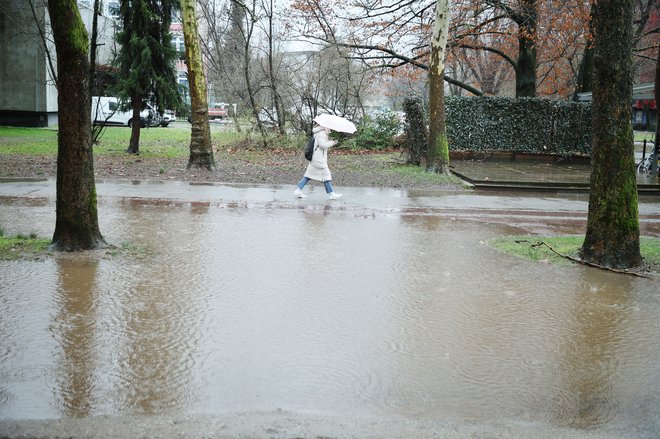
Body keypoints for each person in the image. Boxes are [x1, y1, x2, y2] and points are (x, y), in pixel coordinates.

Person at [294, 124, 342, 200]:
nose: (330, 128)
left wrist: (328, 141)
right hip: (319, 159)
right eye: (329, 126)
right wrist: (332, 143)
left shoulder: (317, 132)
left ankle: (298, 190)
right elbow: (322, 145)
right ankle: (331, 194)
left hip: (315, 157)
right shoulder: (322, 133)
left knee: (308, 175)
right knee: (326, 175)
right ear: (324, 125)